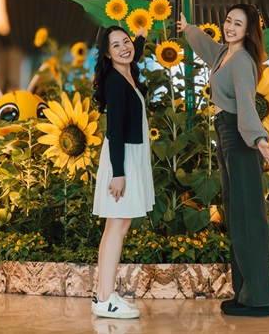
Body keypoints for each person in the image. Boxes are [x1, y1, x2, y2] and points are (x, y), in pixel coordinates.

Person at [180, 5, 269, 318]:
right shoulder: (225, 53)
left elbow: (247, 104)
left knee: (249, 217)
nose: (230, 27)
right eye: (228, 21)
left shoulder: (241, 61)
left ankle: (261, 300)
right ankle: (246, 295)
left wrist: (260, 140)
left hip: (239, 136)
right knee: (236, 216)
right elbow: (207, 48)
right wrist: (187, 29)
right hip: (226, 134)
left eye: (238, 24)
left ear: (248, 30)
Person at [90, 24, 151, 319]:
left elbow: (134, 53)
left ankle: (103, 294)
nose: (124, 48)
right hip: (122, 158)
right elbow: (113, 129)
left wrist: (139, 36)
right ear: (106, 54)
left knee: (117, 226)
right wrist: (118, 173)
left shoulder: (127, 69)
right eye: (116, 46)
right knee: (117, 226)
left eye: (125, 42)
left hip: (130, 156)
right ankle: (104, 298)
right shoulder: (115, 82)